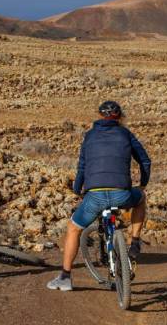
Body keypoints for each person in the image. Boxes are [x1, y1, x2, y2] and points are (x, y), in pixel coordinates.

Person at [47, 100, 151, 291]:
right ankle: (134, 241)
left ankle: (65, 277)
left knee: (73, 229)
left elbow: (82, 167)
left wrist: (77, 189)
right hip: (122, 194)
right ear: (120, 117)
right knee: (141, 198)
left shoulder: (90, 136)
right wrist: (143, 184)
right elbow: (145, 161)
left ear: (99, 116)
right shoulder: (126, 134)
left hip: (95, 196)